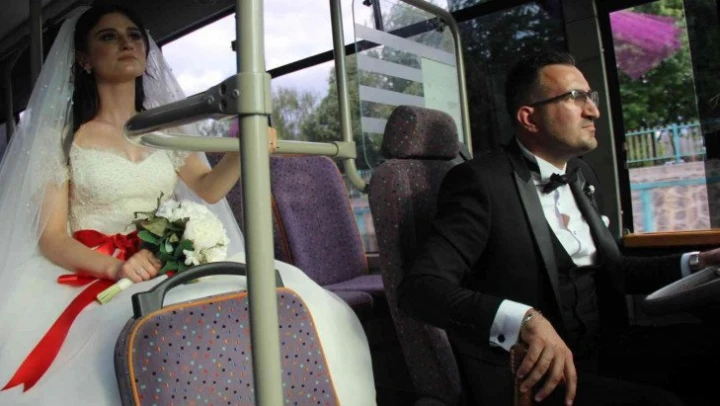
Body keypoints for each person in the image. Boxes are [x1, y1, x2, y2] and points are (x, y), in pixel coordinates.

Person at [0, 5, 375, 405]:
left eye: (133, 35)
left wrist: (244, 149)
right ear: (84, 59)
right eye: (108, 36)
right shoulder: (63, 138)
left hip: (165, 258)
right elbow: (53, 238)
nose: (126, 43)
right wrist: (115, 267)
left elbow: (208, 189)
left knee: (282, 295)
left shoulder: (165, 128)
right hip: (98, 268)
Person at [398, 51, 720, 406]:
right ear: (529, 118)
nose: (593, 110)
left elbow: (612, 271)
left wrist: (697, 262)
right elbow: (421, 288)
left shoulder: (582, 175)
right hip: (536, 373)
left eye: (590, 97)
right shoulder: (479, 183)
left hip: (608, 347)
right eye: (575, 97)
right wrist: (524, 320)